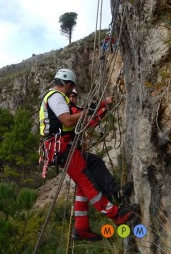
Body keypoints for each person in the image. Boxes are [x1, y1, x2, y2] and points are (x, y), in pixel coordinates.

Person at [39, 68, 135, 241]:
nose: (72, 93)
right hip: (61, 148)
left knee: (93, 163)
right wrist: (94, 109)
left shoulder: (60, 99)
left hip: (63, 147)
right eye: (72, 88)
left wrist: (103, 106)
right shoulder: (56, 97)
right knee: (87, 181)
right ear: (67, 84)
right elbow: (69, 120)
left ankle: (82, 227)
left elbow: (84, 118)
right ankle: (116, 215)